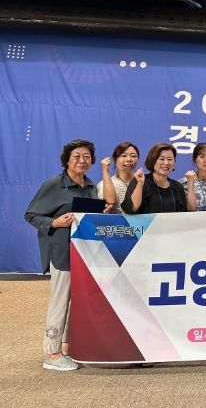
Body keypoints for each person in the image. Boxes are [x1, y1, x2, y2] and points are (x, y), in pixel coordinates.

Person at [25, 139, 109, 371]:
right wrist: (54, 222)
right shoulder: (54, 185)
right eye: (77, 156)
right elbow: (31, 214)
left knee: (78, 301)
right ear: (67, 160)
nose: (82, 161)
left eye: (86, 157)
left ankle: (68, 345)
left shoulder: (91, 187)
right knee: (60, 301)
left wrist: (102, 213)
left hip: (85, 252)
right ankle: (52, 352)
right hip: (61, 251)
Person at [121, 143, 188, 214]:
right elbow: (131, 209)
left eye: (170, 159)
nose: (166, 163)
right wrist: (140, 184)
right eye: (161, 159)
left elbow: (183, 215)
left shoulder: (178, 187)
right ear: (153, 160)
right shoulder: (140, 181)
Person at [98, 141, 140, 214]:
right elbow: (109, 202)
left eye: (133, 156)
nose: (129, 159)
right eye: (124, 156)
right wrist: (105, 171)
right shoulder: (103, 185)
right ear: (115, 159)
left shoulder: (143, 182)